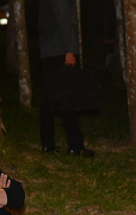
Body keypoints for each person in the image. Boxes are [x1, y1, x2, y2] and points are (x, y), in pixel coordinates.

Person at [38, 0, 94, 157]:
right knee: (68, 97)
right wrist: (69, 50)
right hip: (60, 50)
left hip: (50, 50)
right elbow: (63, 18)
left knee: (49, 98)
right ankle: (75, 146)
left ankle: (47, 144)